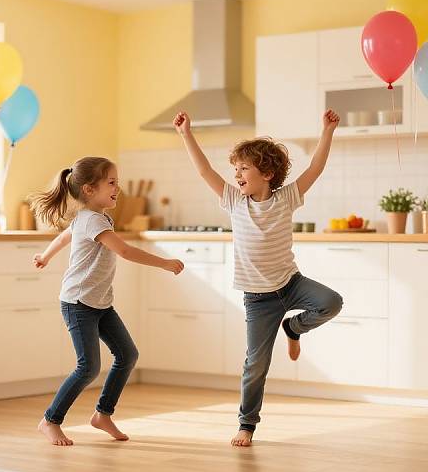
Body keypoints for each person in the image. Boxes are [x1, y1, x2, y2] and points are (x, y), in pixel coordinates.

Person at [173, 110, 343, 447]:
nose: (236, 175)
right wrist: (185, 135)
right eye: (235, 169)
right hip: (258, 298)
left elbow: (315, 169)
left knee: (332, 302)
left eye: (243, 169)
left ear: (266, 173)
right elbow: (204, 169)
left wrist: (327, 131)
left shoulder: (286, 198)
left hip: (291, 284)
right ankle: (246, 425)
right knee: (256, 364)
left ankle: (294, 328)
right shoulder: (234, 201)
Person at [30, 156, 184, 446]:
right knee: (88, 366)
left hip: (99, 302)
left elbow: (65, 236)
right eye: (111, 182)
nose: (118, 188)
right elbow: (124, 251)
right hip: (78, 303)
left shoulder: (91, 218)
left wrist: (46, 256)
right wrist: (164, 263)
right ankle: (50, 420)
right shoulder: (93, 220)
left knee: (127, 355)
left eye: (117, 182)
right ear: (89, 189)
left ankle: (102, 415)